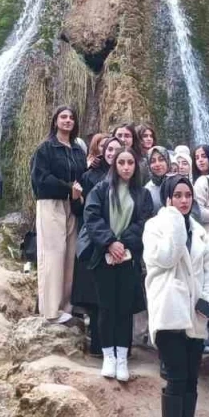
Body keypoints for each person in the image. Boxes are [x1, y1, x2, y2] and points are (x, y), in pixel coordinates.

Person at [145, 174, 209, 417]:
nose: (183, 201)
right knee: (176, 378)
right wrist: (175, 221)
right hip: (170, 312)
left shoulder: (201, 232)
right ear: (167, 199)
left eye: (187, 196)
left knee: (191, 379)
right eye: (177, 195)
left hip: (195, 313)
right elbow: (165, 259)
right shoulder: (155, 227)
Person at [82, 146, 154, 381]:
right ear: (114, 165)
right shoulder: (101, 189)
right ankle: (108, 357)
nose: (125, 167)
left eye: (130, 163)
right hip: (103, 258)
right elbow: (92, 217)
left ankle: (122, 356)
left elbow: (144, 222)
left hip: (128, 259)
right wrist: (109, 242)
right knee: (105, 309)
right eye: (121, 163)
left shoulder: (143, 194)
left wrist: (122, 244)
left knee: (124, 310)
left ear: (135, 166)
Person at [29, 107, 88, 324]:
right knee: (53, 254)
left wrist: (77, 194)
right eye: (63, 117)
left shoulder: (77, 151)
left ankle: (66, 306)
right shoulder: (46, 149)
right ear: (55, 121)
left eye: (71, 117)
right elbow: (40, 179)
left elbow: (84, 177)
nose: (68, 120)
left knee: (69, 254)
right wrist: (67, 188)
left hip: (72, 204)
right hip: (51, 203)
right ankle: (50, 310)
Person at [74, 135, 114, 352]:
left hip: (119, 243)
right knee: (96, 297)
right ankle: (98, 347)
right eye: (108, 149)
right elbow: (82, 210)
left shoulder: (128, 179)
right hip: (95, 240)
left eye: (117, 150)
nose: (112, 153)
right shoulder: (90, 176)